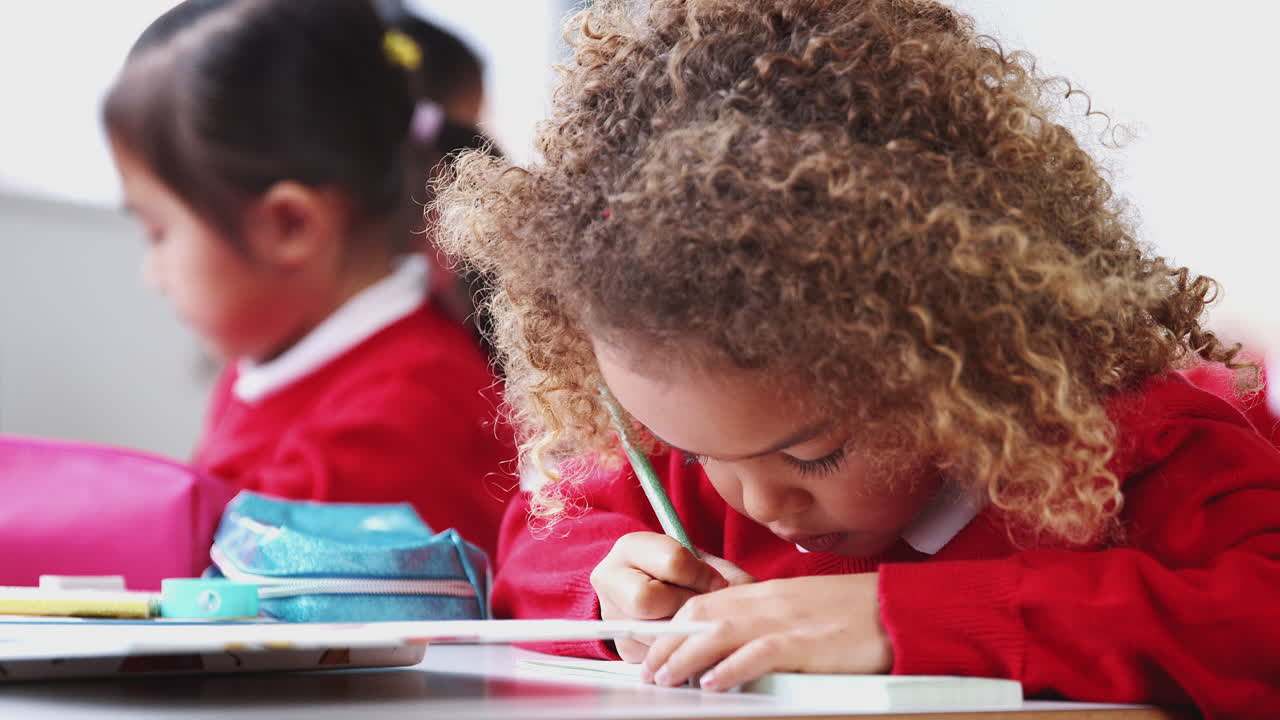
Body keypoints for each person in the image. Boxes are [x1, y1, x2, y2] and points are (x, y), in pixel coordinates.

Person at [433, 0, 1280, 715]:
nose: (758, 501)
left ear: (956, 348)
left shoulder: (1145, 448)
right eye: (696, 455)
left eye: (814, 453)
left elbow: (1259, 625)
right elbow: (533, 552)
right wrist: (609, 597)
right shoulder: (701, 440)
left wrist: (895, 618)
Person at [103, 0, 515, 559]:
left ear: (290, 224)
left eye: (157, 233)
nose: (151, 276)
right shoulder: (267, 363)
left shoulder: (396, 421)